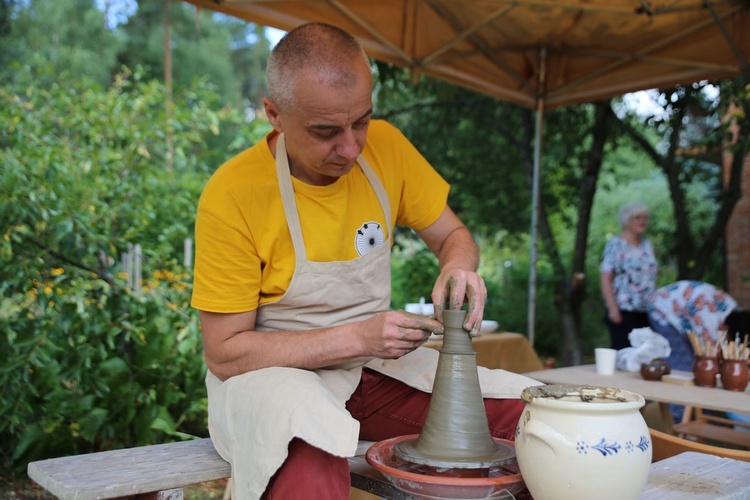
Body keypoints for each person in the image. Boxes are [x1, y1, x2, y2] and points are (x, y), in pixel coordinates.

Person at [191, 22, 538, 499]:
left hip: (373, 368)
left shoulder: (387, 149)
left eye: (361, 121)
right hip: (270, 381)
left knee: (541, 423)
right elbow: (225, 353)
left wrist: (459, 266)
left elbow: (453, 235)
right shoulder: (233, 195)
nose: (351, 147)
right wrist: (354, 336)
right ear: (274, 114)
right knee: (309, 446)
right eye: (326, 131)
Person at [647, 280, 740, 421]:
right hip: (661, 310)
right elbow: (710, 350)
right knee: (683, 367)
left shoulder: (731, 309)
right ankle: (681, 416)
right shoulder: (709, 316)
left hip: (681, 313)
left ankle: (704, 411)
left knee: (698, 364)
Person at [600, 202, 657, 350]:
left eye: (645, 217)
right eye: (638, 217)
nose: (643, 221)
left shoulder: (647, 245)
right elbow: (606, 278)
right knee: (625, 353)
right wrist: (612, 308)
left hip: (646, 310)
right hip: (624, 309)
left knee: (645, 353)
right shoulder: (616, 244)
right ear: (627, 220)